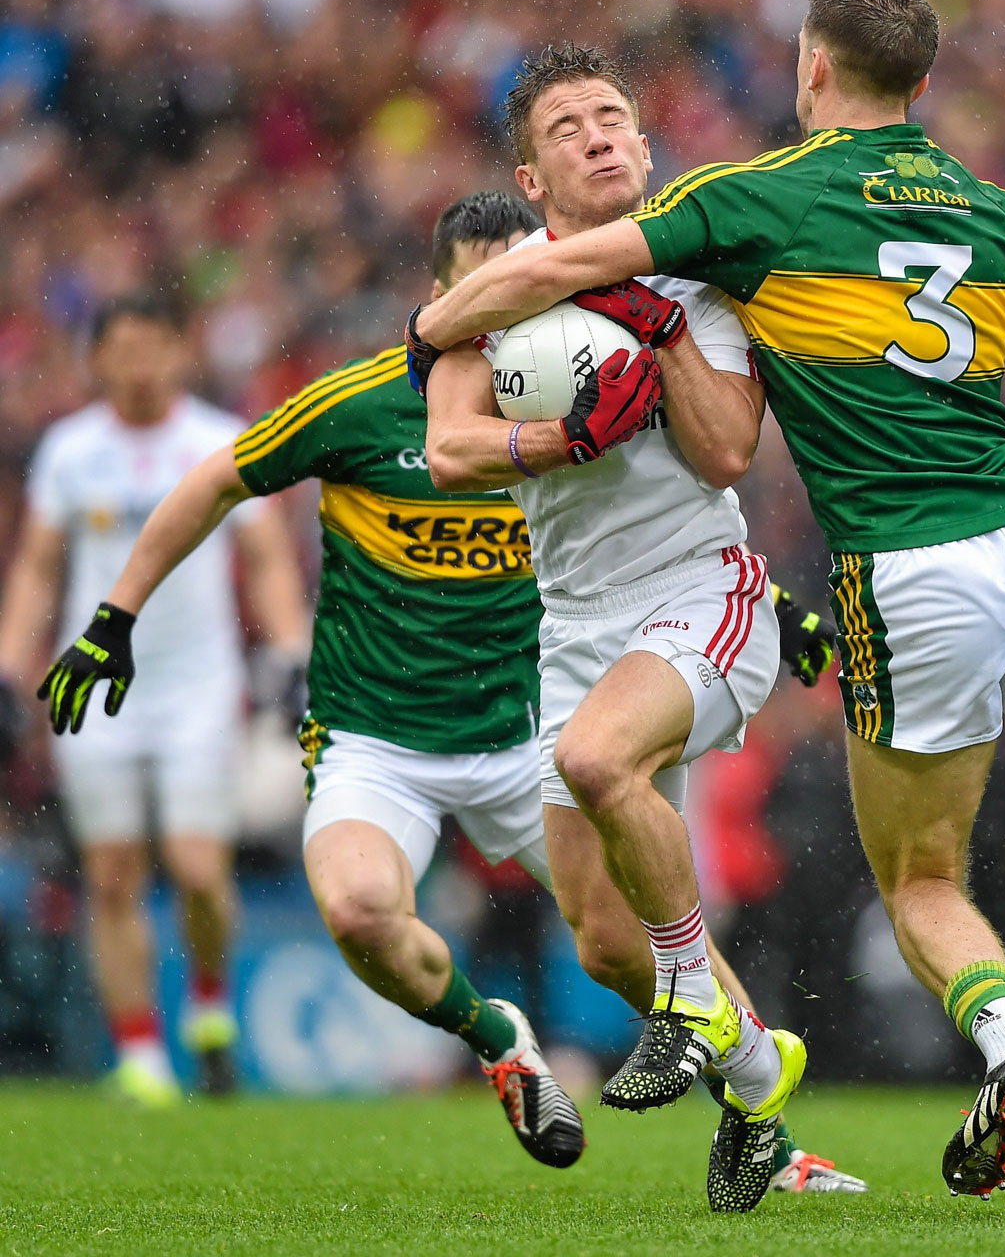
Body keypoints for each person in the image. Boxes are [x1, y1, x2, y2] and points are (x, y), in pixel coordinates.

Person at [408, 0, 1005, 1219]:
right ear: (920, 81)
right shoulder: (994, 206)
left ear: (810, 71)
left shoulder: (751, 200)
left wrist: (429, 323)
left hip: (911, 561)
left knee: (916, 877)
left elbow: (577, 287)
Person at [41, 191, 857, 1194]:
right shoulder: (362, 403)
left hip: (525, 725)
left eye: (527, 272)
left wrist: (772, 604)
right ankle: (498, 1035)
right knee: (356, 908)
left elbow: (645, 536)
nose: (510, 298)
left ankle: (765, 1126)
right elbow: (216, 479)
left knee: (628, 936)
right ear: (441, 295)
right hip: (375, 735)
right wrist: (114, 615)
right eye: (482, 279)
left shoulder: (581, 386)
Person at [416, 45, 847, 1213]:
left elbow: (721, 452)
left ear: (648, 150)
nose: (600, 134)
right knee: (602, 936)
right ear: (533, 173)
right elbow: (449, 448)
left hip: (699, 588)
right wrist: (562, 439)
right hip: (573, 626)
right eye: (570, 126)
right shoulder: (496, 295)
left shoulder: (704, 283)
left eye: (616, 117)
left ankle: (696, 1002)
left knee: (598, 759)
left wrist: (649, 321)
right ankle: (759, 1081)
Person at [0, 295, 306, 1105]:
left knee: (201, 870)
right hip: (96, 688)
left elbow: (268, 553)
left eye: (153, 347)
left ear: (180, 352)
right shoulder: (71, 452)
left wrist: (286, 648)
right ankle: (140, 1056)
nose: (139, 365)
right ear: (95, 360)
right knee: (110, 874)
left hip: (197, 686)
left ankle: (208, 1004)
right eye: (123, 350)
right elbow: (37, 567)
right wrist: (7, 666)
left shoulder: (215, 441)